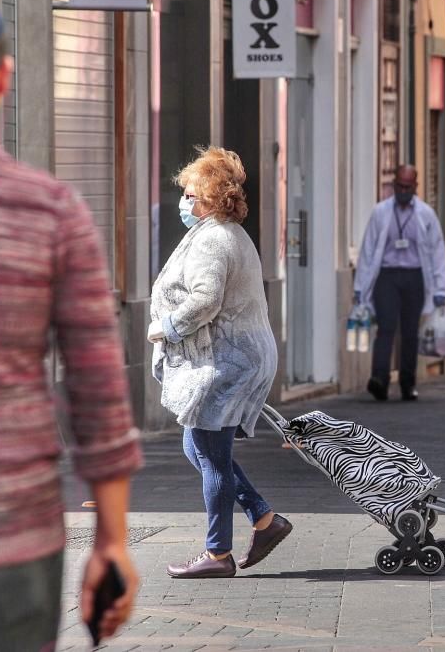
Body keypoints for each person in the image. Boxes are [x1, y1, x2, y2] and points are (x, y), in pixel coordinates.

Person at [0, 0, 142, 648]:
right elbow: (97, 392)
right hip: (9, 546)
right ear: (4, 77)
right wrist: (112, 542)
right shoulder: (50, 212)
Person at [149, 146, 291, 578]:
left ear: (212, 198)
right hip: (240, 356)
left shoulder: (213, 239)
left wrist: (167, 327)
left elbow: (205, 299)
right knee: (198, 446)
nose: (185, 203)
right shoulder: (229, 233)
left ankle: (217, 555)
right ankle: (265, 520)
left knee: (210, 454)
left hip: (225, 362)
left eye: (191, 196)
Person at [354, 164, 445, 401]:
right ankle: (379, 379)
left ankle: (408, 383)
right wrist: (360, 288)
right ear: (393, 185)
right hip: (386, 277)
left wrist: (440, 289)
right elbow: (367, 251)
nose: (404, 190)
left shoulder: (426, 214)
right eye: (400, 186)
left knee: (410, 332)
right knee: (386, 328)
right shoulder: (380, 212)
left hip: (415, 277)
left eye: (408, 186)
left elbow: (438, 253)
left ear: (416, 186)